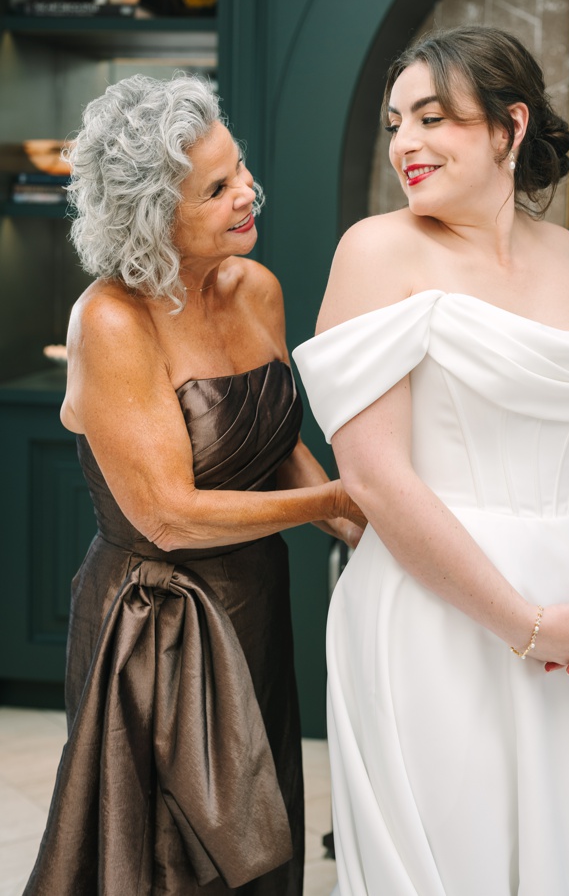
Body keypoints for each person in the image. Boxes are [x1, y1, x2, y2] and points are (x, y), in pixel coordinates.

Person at [291, 25, 569, 895]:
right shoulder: (378, 250)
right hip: (436, 612)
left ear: (508, 126)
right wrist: (524, 625)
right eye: (394, 124)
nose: (405, 144)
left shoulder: (567, 255)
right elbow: (376, 478)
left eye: (432, 118)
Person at [24, 74, 365, 895]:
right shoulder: (111, 321)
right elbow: (170, 516)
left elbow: (277, 444)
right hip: (155, 627)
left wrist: (360, 528)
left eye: (239, 167)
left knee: (261, 823)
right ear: (152, 216)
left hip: (255, 600)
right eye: (216, 189)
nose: (248, 192)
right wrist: (337, 503)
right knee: (168, 857)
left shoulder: (257, 289)